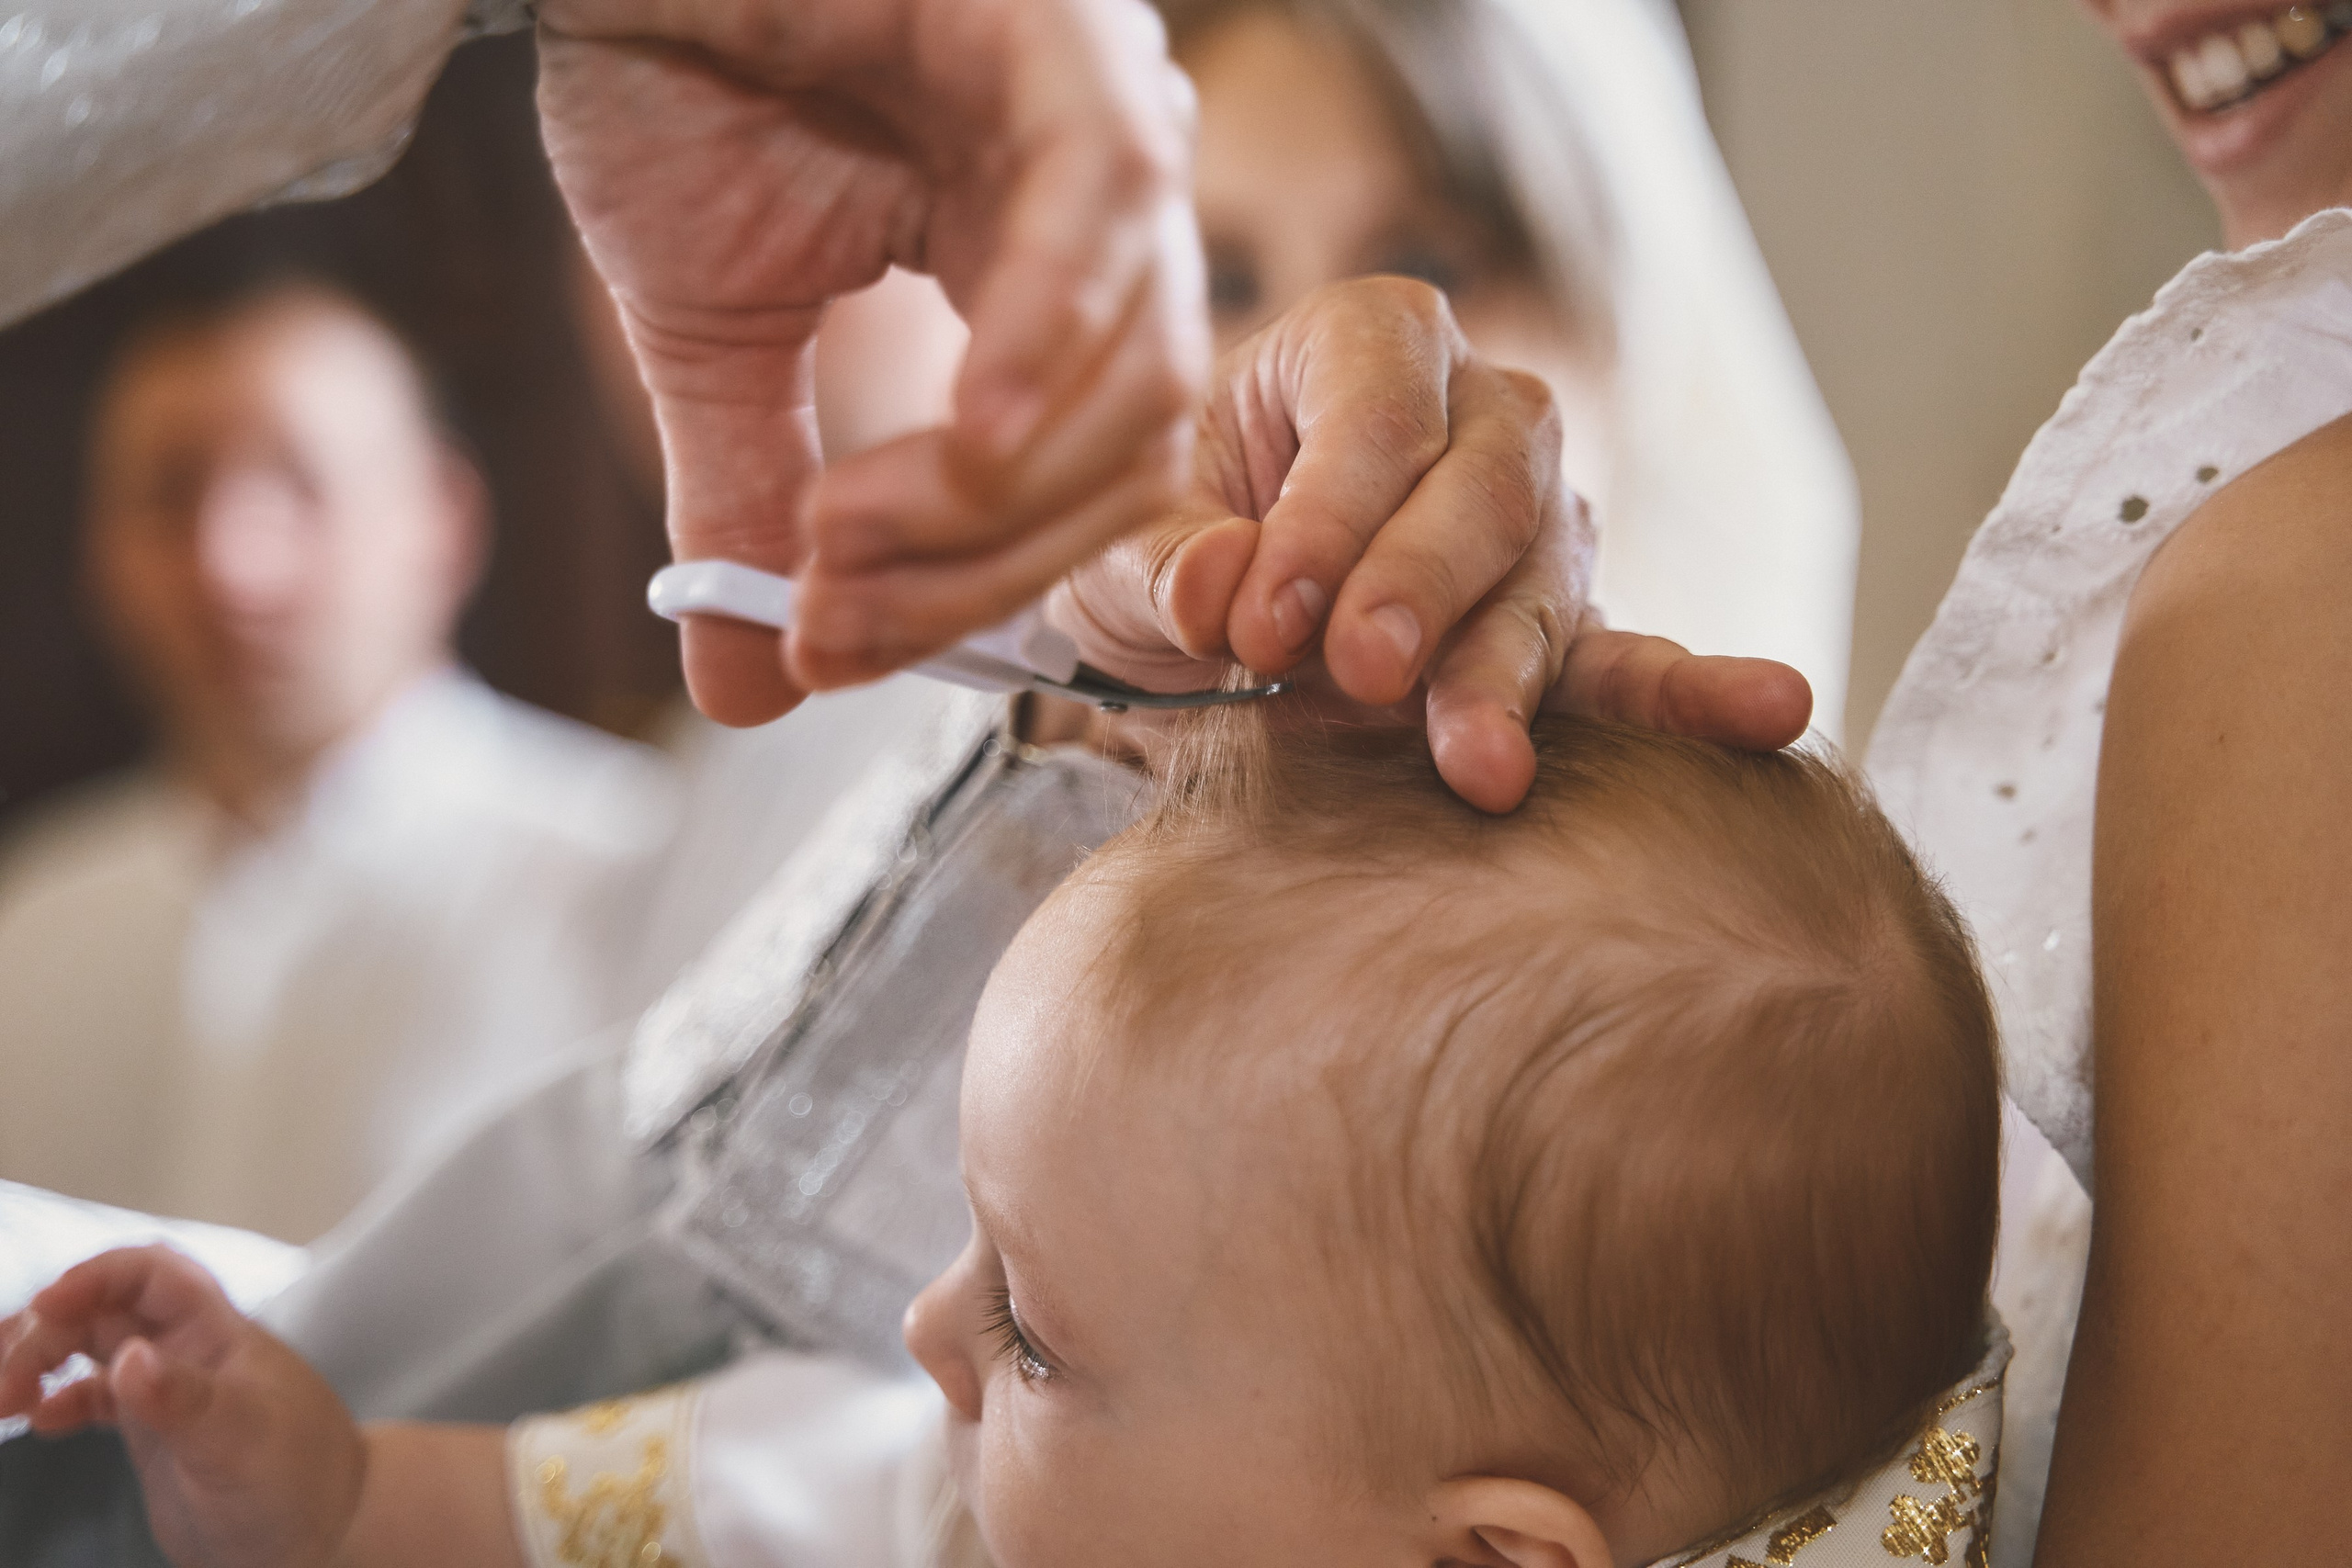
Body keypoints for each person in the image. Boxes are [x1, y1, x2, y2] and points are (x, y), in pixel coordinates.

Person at [2, 711, 2009, 1568]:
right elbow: (616, 1510)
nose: (923, 1330)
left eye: (1034, 1331)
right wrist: (324, 1480)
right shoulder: (959, 1511)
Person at [0, 276, 673, 1243]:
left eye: (303, 484)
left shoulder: (625, 868)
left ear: (442, 520)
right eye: (171, 493)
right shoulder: (35, 923)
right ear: (98, 549)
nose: (231, 565)